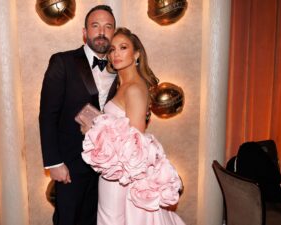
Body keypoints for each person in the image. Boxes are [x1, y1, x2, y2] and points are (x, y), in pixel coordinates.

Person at [80, 27, 186, 225]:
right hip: (116, 171)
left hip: (122, 173)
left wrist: (94, 131)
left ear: (136, 53)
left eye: (123, 47)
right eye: (112, 50)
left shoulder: (135, 88)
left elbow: (135, 143)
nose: (116, 54)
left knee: (111, 220)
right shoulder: (124, 85)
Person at [39, 5, 117, 225]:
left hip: (107, 170)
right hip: (70, 166)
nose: (101, 32)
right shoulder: (62, 62)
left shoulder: (121, 67)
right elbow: (47, 115)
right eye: (95, 26)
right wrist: (53, 163)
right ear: (85, 33)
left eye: (108, 27)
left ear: (114, 32)